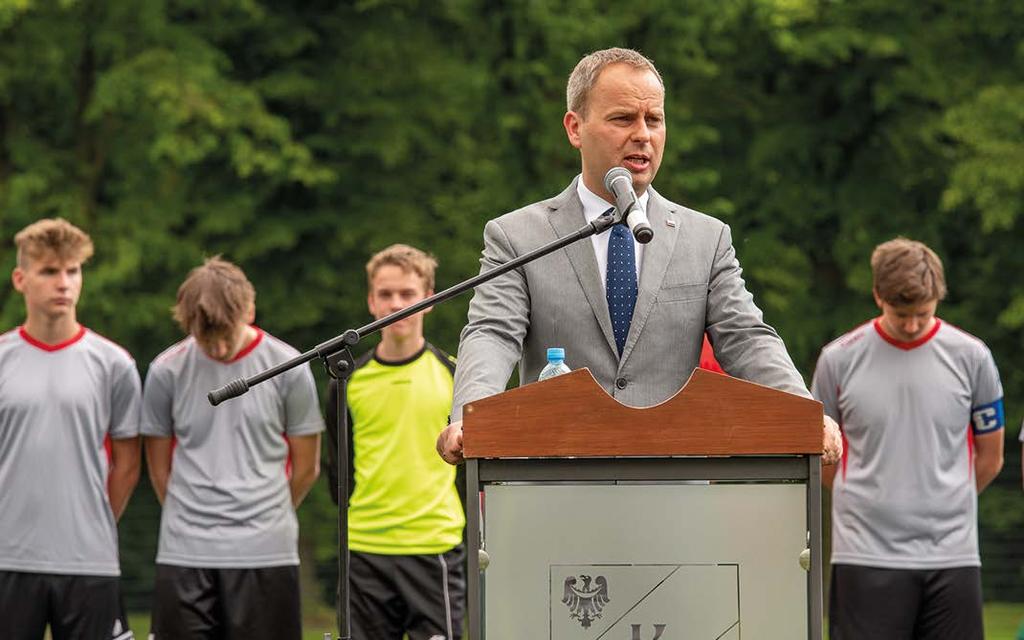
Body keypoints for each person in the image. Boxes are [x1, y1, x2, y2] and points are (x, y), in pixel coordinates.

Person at [436, 47, 841, 464]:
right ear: (575, 128)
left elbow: (746, 339)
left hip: (672, 486)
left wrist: (803, 410)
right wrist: (472, 415)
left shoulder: (706, 239)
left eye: (654, 119)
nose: (643, 134)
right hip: (555, 481)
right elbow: (492, 333)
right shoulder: (518, 236)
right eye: (623, 119)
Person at [811, 237, 1004, 640]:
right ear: (878, 296)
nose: (913, 325)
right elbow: (823, 460)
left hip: (953, 556)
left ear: (938, 298)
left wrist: (945, 502)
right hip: (864, 555)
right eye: (902, 314)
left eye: (923, 313)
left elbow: (991, 457)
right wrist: (864, 498)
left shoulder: (973, 357)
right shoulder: (838, 360)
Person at [142, 257, 324, 640]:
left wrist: (264, 513)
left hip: (267, 551)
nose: (220, 347)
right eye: (206, 337)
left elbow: (307, 467)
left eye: (227, 333)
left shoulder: (289, 366)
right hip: (184, 552)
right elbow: (159, 470)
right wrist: (191, 517)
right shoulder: (165, 371)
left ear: (250, 310)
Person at [0, 217, 141, 640]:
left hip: (89, 561)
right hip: (8, 559)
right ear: (21, 279)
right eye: (49, 271)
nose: (64, 282)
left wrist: (90, 520)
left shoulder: (115, 364)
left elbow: (128, 466)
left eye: (73, 271)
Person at [325, 244, 466, 640]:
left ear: (428, 300)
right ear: (371, 301)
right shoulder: (346, 380)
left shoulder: (456, 376)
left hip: (434, 547)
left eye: (407, 293)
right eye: (386, 294)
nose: (395, 304)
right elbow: (339, 467)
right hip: (364, 551)